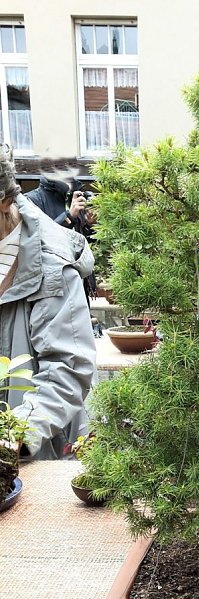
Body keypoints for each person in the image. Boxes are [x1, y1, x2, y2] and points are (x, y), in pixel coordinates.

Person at [0, 148, 96, 460]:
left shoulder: (51, 264)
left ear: (4, 202)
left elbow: (67, 371)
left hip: (31, 453)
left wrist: (12, 437)